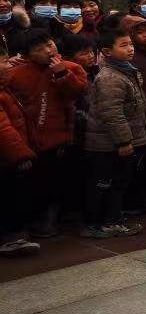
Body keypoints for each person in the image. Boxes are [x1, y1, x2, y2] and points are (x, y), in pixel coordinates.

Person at [2, 28, 89, 237]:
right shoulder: (17, 72)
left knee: (60, 180)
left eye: (49, 45)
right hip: (32, 137)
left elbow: (79, 90)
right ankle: (37, 221)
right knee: (36, 183)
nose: (47, 51)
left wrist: (61, 73)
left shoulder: (71, 67)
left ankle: (56, 218)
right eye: (39, 49)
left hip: (62, 135)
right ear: (27, 54)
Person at [81, 30, 146, 238]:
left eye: (130, 44)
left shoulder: (126, 71)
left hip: (120, 142)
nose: (130, 48)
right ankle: (99, 223)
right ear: (107, 51)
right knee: (106, 185)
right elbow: (112, 114)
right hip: (108, 144)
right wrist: (124, 141)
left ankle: (113, 219)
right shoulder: (110, 77)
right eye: (123, 45)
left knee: (119, 183)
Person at [0, 48, 39, 256]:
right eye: (5, 62)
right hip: (7, 158)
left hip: (9, 155)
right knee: (9, 196)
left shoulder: (5, 89)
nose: (9, 66)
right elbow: (3, 128)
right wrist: (21, 154)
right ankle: (12, 238)